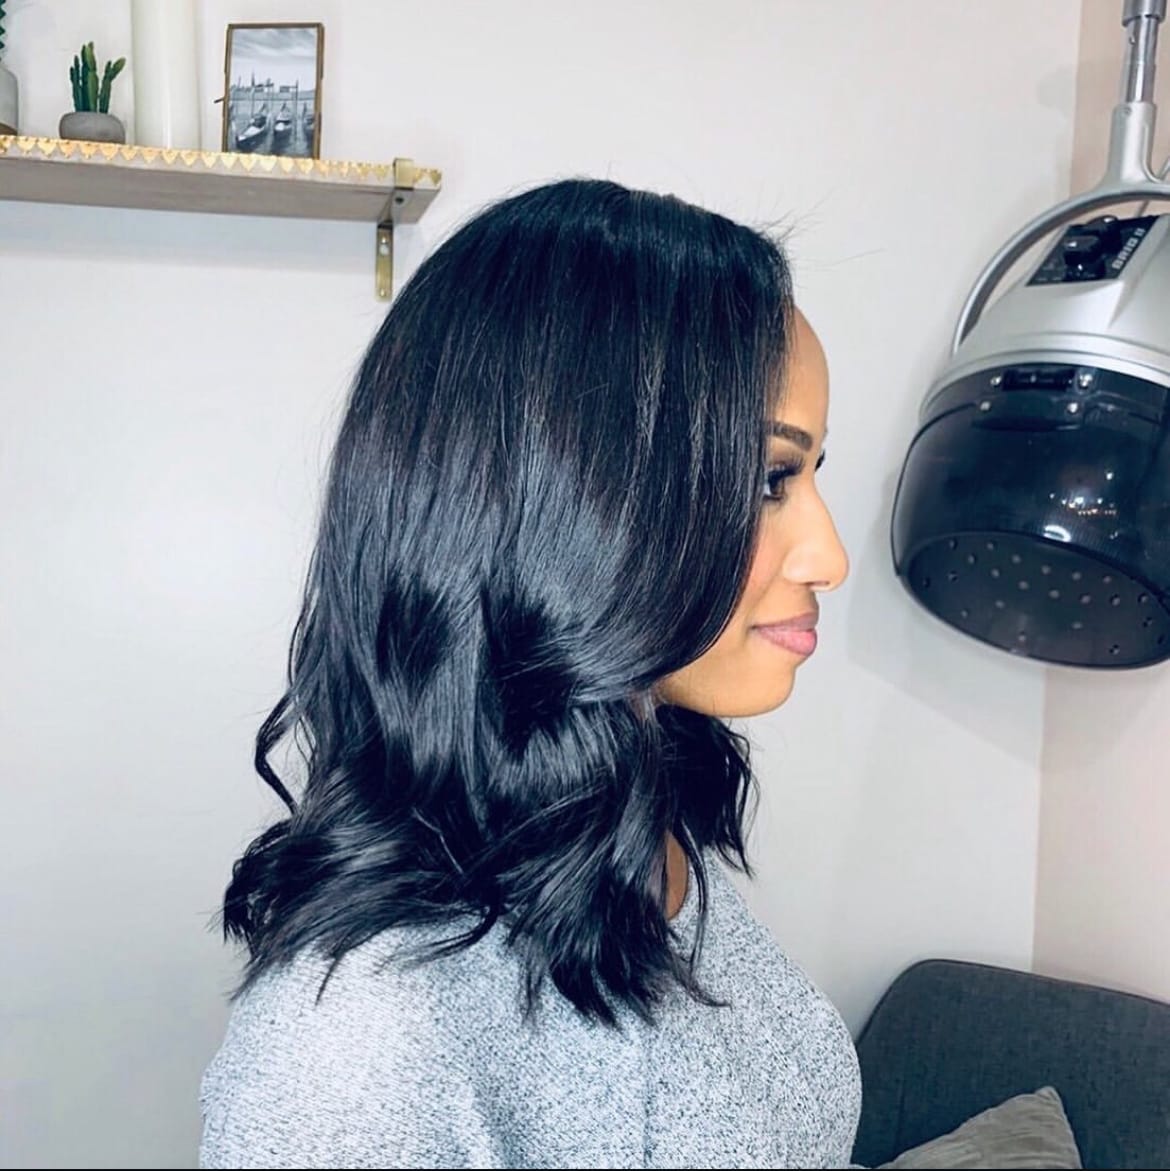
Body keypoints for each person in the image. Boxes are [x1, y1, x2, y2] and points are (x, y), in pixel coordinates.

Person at [199, 178, 855, 1169]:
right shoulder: (352, 1055)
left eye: (811, 473)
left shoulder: (630, 812)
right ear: (568, 501)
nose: (830, 557)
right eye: (768, 479)